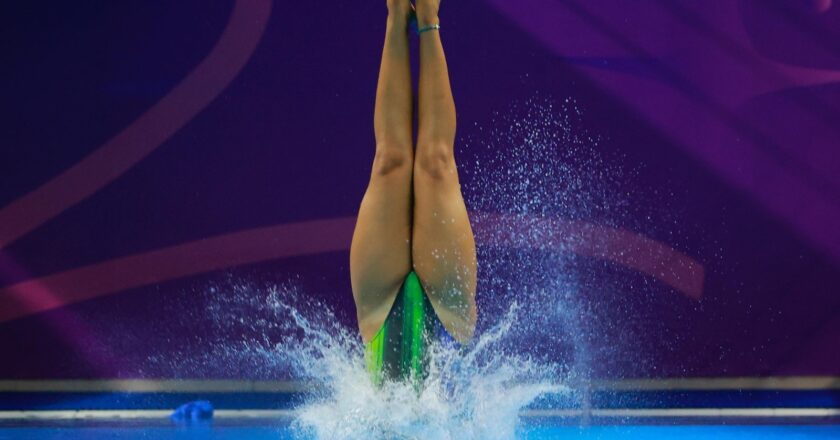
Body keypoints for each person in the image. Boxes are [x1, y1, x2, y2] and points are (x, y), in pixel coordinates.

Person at [350, 0, 477, 384]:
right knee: (436, 164)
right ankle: (427, 18)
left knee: (390, 162)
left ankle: (395, 15)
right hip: (448, 321)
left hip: (381, 316)